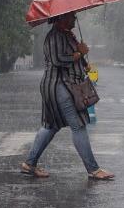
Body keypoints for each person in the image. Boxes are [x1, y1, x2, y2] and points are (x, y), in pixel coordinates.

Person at [20, 12, 114, 180]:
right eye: (72, 17)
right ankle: (93, 169)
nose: (75, 19)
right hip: (60, 86)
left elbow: (75, 57)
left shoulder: (68, 35)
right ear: (62, 18)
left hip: (61, 86)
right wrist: (79, 52)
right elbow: (58, 60)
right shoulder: (55, 36)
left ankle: (30, 163)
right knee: (78, 125)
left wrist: (84, 62)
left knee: (51, 126)